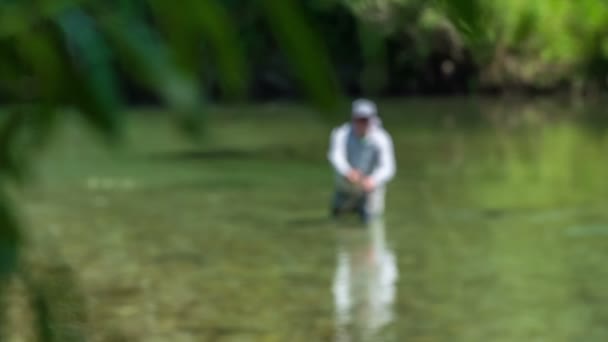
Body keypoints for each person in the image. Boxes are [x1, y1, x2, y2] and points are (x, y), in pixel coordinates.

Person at [328, 99, 396, 222]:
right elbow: (335, 156)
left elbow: (388, 167)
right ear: (353, 119)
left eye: (366, 120)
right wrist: (348, 172)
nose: (362, 123)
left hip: (370, 189)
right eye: (359, 119)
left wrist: (373, 180)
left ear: (372, 119)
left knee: (370, 221)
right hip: (346, 186)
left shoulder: (382, 138)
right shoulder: (341, 133)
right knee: (337, 216)